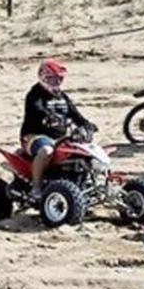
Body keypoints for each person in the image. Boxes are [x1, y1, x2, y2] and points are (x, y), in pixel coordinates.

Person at [19, 59, 97, 198]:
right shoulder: (35, 94)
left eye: (58, 79)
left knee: (85, 151)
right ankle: (36, 187)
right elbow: (37, 110)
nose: (55, 82)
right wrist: (48, 116)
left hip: (59, 137)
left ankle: (86, 182)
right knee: (47, 151)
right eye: (51, 79)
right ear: (42, 77)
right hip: (34, 135)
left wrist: (86, 124)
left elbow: (74, 114)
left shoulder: (62, 96)